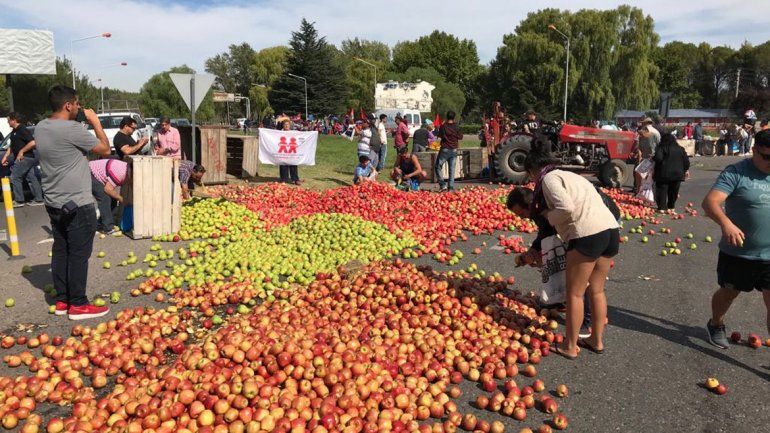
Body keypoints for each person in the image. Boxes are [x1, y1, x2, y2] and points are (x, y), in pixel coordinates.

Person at [508, 138, 619, 359]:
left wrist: (549, 216)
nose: (531, 179)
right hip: (610, 230)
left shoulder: (548, 180)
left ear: (533, 170)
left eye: (529, 174)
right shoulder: (568, 175)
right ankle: (597, 342)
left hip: (587, 233)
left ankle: (570, 346)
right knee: (596, 290)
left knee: (575, 293)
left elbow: (566, 208)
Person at [34, 85, 112, 320]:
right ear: (68, 105)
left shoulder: (41, 127)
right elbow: (106, 149)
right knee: (78, 254)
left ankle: (62, 300)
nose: (79, 107)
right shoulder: (71, 129)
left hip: (54, 202)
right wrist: (95, 121)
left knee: (61, 250)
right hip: (78, 203)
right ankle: (78, 304)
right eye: (77, 103)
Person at [702, 130, 770, 349]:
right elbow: (710, 202)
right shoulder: (737, 172)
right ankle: (716, 323)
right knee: (729, 293)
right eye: (767, 157)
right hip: (739, 252)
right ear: (753, 150)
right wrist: (726, 223)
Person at [1, 112, 44, 207]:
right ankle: (39, 199)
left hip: (26, 158)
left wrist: (22, 151)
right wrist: (5, 157)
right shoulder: (14, 131)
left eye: (9, 120)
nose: (8, 122)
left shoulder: (22, 129)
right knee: (31, 178)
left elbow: (33, 143)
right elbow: (12, 146)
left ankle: (19, 200)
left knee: (15, 176)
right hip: (25, 158)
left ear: (14, 120)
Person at [652, 133, 690, 213]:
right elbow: (686, 162)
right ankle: (671, 207)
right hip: (677, 174)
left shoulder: (661, 147)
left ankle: (662, 208)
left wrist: (653, 158)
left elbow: (658, 158)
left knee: (662, 190)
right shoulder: (680, 149)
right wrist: (686, 169)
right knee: (673, 191)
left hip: (663, 174)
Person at [89, 159, 128, 234]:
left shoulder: (127, 170)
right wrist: (122, 199)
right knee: (104, 198)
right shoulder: (121, 173)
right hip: (90, 172)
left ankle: (101, 225)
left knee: (113, 197)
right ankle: (108, 227)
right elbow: (107, 189)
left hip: (99, 172)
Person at [435, 111, 463, 192]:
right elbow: (461, 137)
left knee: (438, 166)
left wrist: (442, 125)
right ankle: (450, 187)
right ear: (454, 118)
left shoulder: (443, 126)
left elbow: (439, 136)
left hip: (445, 149)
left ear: (447, 117)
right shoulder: (457, 126)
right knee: (452, 169)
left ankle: (443, 185)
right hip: (454, 149)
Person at [277, 119, 300, 185]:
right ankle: (283, 179)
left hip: (291, 151)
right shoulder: (279, 133)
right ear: (283, 125)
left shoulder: (293, 133)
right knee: (283, 164)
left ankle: (295, 179)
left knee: (293, 164)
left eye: (288, 124)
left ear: (290, 125)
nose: (286, 126)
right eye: (285, 124)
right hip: (283, 151)